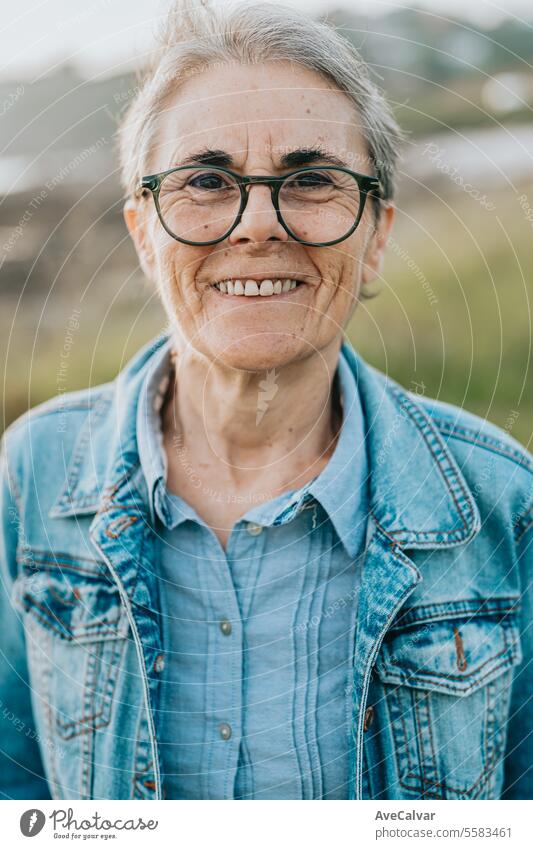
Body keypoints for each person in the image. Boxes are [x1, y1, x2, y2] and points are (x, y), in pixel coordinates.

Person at [0, 0, 531, 801]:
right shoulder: (31, 474)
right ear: (144, 233)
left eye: (310, 179)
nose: (256, 225)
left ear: (375, 232)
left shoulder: (502, 499)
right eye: (206, 181)